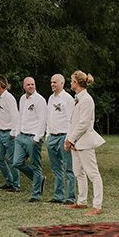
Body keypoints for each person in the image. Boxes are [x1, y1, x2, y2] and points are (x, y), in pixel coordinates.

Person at [65, 70, 105, 215]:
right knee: (78, 172)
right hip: (75, 142)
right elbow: (73, 122)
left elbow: (83, 124)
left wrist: (70, 139)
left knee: (93, 174)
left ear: (76, 83)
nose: (70, 83)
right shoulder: (77, 99)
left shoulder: (87, 100)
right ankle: (82, 201)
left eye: (72, 81)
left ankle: (97, 205)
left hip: (85, 142)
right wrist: (69, 139)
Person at [13, 77, 47, 202]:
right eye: (28, 84)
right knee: (16, 163)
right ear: (24, 86)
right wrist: (17, 133)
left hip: (33, 138)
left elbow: (43, 119)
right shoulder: (22, 99)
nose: (31, 86)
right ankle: (40, 179)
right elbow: (20, 117)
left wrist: (37, 137)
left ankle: (36, 195)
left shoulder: (40, 100)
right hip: (21, 136)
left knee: (35, 165)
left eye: (32, 84)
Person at [46, 74, 75, 204]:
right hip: (52, 137)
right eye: (51, 82)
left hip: (64, 136)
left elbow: (71, 120)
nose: (52, 84)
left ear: (62, 83)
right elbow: (49, 118)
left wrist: (68, 139)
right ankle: (58, 196)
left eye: (55, 82)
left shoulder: (68, 99)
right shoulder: (51, 98)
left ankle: (70, 197)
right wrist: (48, 135)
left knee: (68, 168)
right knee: (56, 168)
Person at [0, 76, 20, 192]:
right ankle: (9, 181)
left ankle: (16, 185)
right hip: (0, 132)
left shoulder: (9, 98)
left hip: (9, 133)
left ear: (0, 84)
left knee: (11, 159)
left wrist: (14, 132)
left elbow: (15, 115)